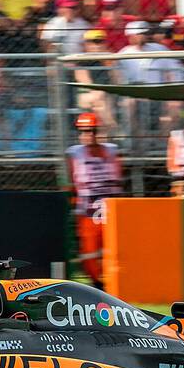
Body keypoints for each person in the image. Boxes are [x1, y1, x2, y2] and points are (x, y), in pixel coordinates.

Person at [66, 111, 122, 289]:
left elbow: (119, 180)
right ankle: (96, 284)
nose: (86, 135)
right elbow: (71, 184)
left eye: (90, 130)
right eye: (82, 131)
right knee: (89, 252)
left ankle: (113, 284)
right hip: (88, 210)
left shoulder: (111, 151)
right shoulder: (76, 154)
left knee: (112, 249)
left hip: (110, 209)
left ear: (97, 131)